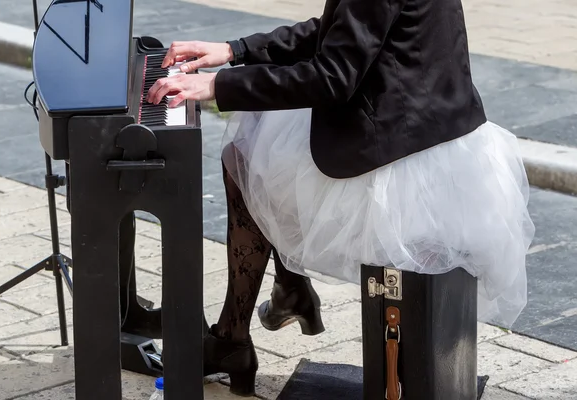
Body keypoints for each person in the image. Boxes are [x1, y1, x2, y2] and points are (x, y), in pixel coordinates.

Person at [147, 0, 535, 396]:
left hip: (398, 144)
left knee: (246, 157)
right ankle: (285, 290)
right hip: (437, 118)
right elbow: (340, 31)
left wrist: (217, 85)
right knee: (254, 151)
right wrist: (236, 49)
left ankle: (244, 327)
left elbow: (333, 76)